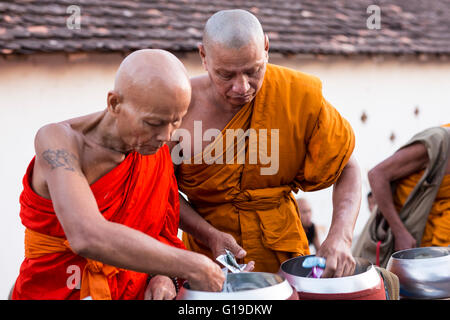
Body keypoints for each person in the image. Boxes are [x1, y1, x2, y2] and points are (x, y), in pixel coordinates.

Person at [11, 49, 224, 300]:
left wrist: (163, 275)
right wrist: (194, 265)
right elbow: (86, 235)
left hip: (129, 290)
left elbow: (156, 221)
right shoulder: (57, 141)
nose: (166, 136)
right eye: (154, 123)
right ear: (114, 103)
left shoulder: (151, 148)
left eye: (175, 122)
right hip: (56, 288)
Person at [171, 9, 361, 278]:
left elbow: (348, 168)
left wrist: (341, 237)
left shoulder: (295, 95)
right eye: (226, 75)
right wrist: (210, 235)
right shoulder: (178, 107)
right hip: (208, 259)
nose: (242, 87)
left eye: (253, 71)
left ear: (267, 49)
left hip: (286, 256)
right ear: (203, 57)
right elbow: (161, 192)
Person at [367, 124, 450, 253]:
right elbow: (377, 175)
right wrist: (399, 232)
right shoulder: (439, 142)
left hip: (438, 248)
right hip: (402, 240)